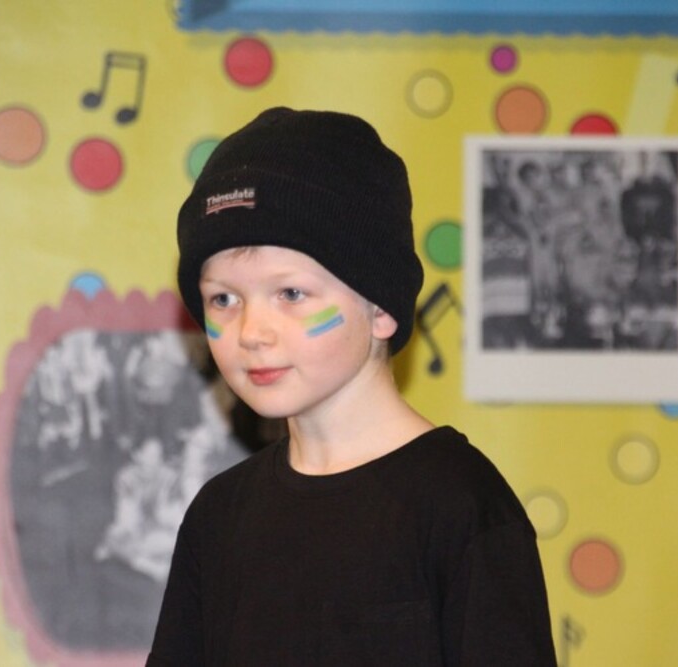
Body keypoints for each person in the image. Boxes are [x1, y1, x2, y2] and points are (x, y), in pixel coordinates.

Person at [146, 107, 556, 666]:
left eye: (291, 294)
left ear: (380, 307)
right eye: (224, 299)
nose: (251, 332)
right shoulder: (218, 517)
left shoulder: (461, 506)